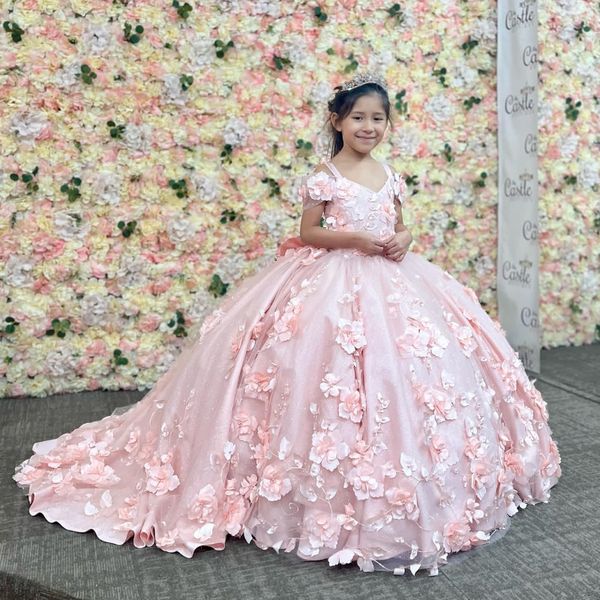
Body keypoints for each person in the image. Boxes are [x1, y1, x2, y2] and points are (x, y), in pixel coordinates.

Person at [13, 71, 562, 577]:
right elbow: (309, 233)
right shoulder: (325, 176)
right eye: (359, 118)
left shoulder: (389, 173)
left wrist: (404, 240)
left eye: (378, 119)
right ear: (338, 122)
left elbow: (401, 224)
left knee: (409, 374)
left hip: (393, 280)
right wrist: (351, 239)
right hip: (329, 277)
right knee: (314, 368)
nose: (369, 127)